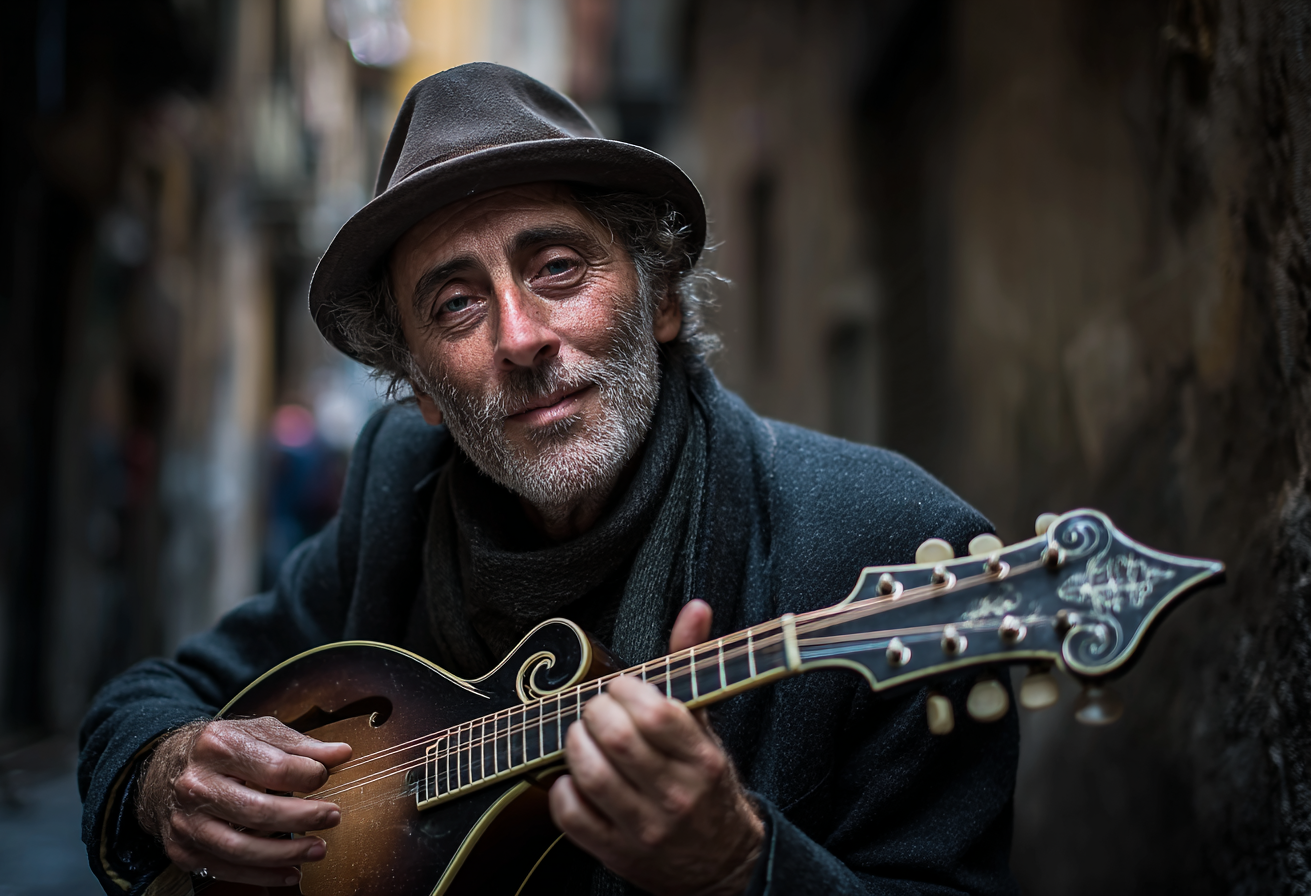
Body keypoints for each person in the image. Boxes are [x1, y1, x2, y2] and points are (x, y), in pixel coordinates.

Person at [79, 63, 1018, 896]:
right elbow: (154, 693)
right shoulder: (397, 498)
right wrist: (165, 772)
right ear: (424, 393)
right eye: (455, 304)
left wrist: (741, 868)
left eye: (558, 268)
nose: (521, 338)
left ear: (660, 300)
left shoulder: (882, 546)